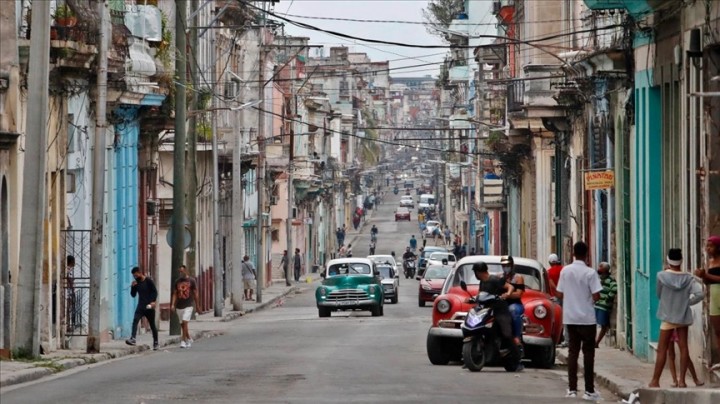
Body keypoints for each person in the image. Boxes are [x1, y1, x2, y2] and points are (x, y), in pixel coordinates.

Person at [649, 248, 704, 388]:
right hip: (682, 316)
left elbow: (659, 294)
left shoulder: (661, 276)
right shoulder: (688, 278)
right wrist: (687, 302)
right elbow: (700, 294)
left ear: (668, 260)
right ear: (681, 260)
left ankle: (655, 380)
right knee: (684, 348)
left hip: (667, 315)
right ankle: (682, 381)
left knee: (662, 349)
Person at [556, 241, 603, 401]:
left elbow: (559, 294)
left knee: (572, 353)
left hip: (570, 318)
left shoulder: (565, 271)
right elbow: (597, 295)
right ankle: (589, 390)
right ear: (586, 253)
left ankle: (572, 388)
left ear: (573, 253)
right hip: (587, 319)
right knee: (588, 354)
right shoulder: (590, 273)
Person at [472, 262, 518, 365]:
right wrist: (473, 298)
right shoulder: (482, 282)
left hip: (500, 309)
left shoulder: (494, 279)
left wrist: (507, 294)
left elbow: (510, 287)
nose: (475, 274)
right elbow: (480, 294)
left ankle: (515, 357)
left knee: (506, 332)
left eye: (475, 272)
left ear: (479, 272)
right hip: (487, 310)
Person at [694, 235, 720, 371]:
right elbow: (708, 281)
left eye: (711, 246)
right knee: (717, 331)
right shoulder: (711, 262)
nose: (708, 249)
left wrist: (705, 276)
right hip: (715, 297)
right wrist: (702, 276)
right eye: (707, 246)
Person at [126, 267, 159, 350]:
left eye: (136, 275)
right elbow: (133, 295)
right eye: (134, 276)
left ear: (140, 273)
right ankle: (133, 338)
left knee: (152, 325)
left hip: (149, 306)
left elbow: (155, 292)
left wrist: (153, 301)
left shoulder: (148, 281)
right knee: (135, 320)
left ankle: (156, 342)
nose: (135, 277)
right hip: (141, 306)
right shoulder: (136, 283)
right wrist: (133, 287)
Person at [500, 256, 525, 355]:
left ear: (511, 265)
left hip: (515, 303)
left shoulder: (518, 278)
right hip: (501, 304)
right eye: (503, 265)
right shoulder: (499, 277)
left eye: (507, 265)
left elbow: (519, 294)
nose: (505, 267)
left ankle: (516, 337)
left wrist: (507, 295)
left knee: (513, 310)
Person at [171, 265, 199, 349]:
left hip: (189, 305)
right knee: (182, 325)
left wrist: (197, 305)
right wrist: (172, 304)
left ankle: (183, 341)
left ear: (186, 271)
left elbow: (195, 293)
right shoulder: (177, 281)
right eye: (179, 272)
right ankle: (189, 338)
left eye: (182, 271)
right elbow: (175, 293)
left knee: (185, 321)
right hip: (179, 306)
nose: (181, 273)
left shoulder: (192, 281)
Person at [594, 262, 617, 348]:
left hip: (604, 306)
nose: (598, 268)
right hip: (597, 304)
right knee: (594, 324)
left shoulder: (610, 280)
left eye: (600, 267)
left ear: (605, 270)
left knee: (604, 325)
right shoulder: (599, 279)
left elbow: (614, 288)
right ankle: (594, 342)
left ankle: (597, 342)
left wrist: (607, 298)